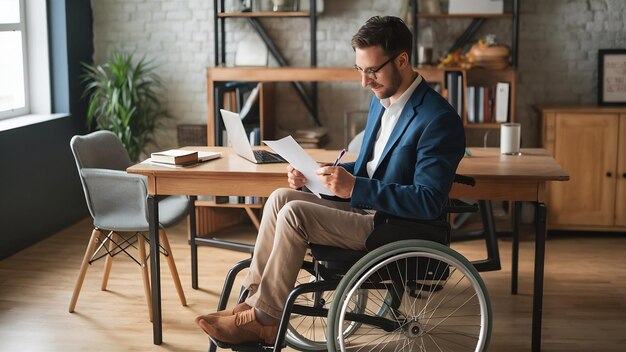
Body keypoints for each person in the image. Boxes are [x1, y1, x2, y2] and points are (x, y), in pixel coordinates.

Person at [195, 15, 466, 345]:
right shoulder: (381, 102)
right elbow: (370, 171)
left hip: (393, 225)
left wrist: (355, 187)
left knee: (296, 214)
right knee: (281, 197)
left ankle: (265, 320)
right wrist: (318, 177)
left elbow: (428, 201)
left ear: (402, 60)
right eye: (359, 70)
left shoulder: (438, 119)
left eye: (373, 70)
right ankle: (250, 304)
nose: (364, 82)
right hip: (363, 210)